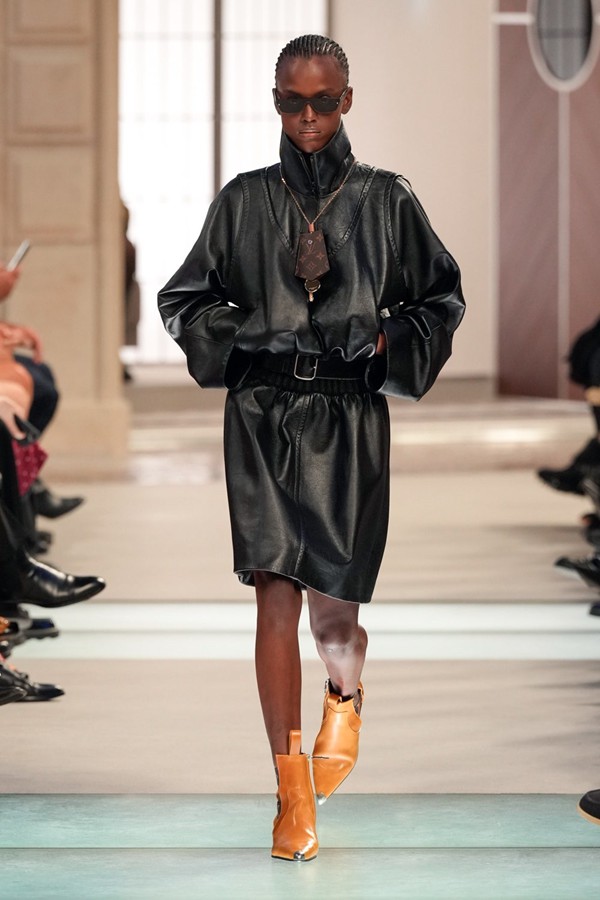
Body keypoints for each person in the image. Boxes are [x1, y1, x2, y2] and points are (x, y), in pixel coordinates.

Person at [159, 34, 465, 861]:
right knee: (273, 594)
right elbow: (184, 298)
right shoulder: (244, 199)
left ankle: (346, 690)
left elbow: (441, 295)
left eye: (322, 102)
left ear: (346, 101)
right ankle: (289, 789)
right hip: (262, 413)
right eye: (291, 101)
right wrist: (246, 334)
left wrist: (386, 341)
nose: (307, 118)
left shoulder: (386, 198)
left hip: (347, 417)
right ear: (275, 102)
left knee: (335, 618)